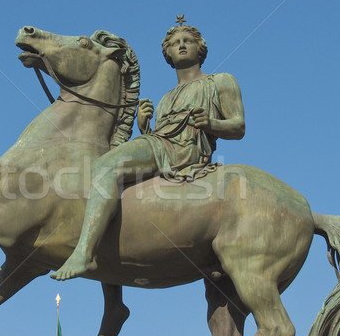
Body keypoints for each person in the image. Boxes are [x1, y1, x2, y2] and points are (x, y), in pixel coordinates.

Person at [51, 20, 245, 281]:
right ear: (168, 54)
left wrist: (212, 123)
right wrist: (145, 127)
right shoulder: (166, 98)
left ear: (201, 48)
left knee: (105, 165)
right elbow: (158, 137)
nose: (182, 45)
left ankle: (84, 253)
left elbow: (239, 126)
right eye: (176, 44)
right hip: (161, 146)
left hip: (185, 152)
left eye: (188, 41)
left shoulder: (220, 81)